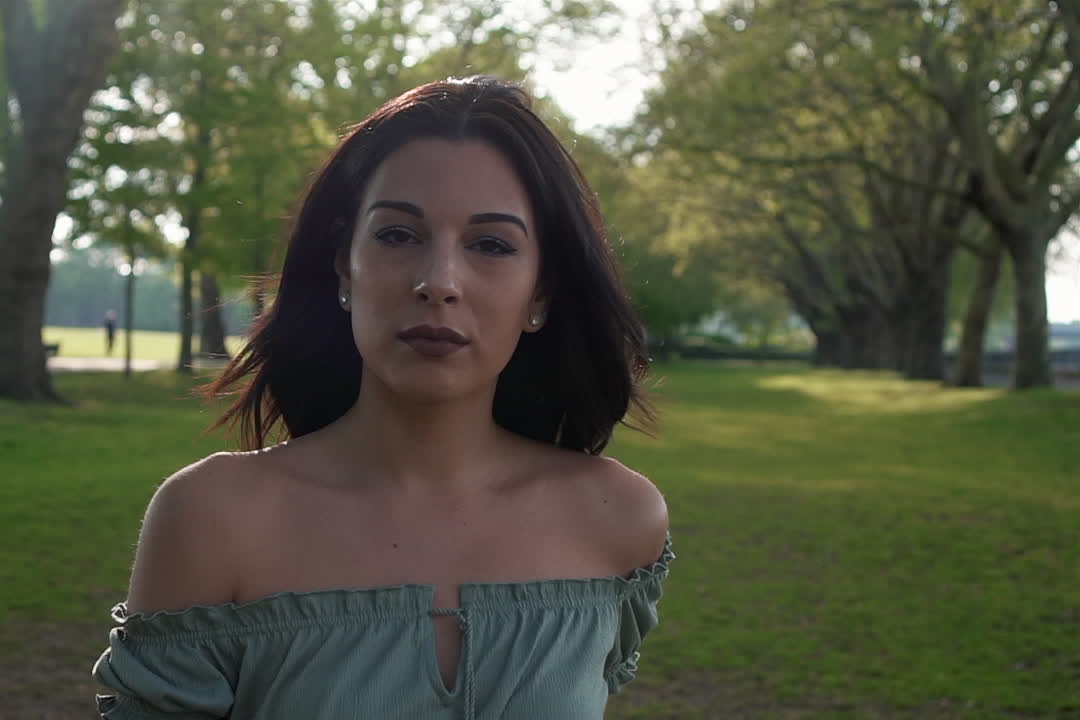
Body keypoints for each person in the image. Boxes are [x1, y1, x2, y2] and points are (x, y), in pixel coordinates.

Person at [92, 76, 674, 720]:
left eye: (491, 245)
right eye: (399, 235)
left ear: (541, 293)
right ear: (344, 265)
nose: (440, 282)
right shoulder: (212, 519)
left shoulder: (617, 519)